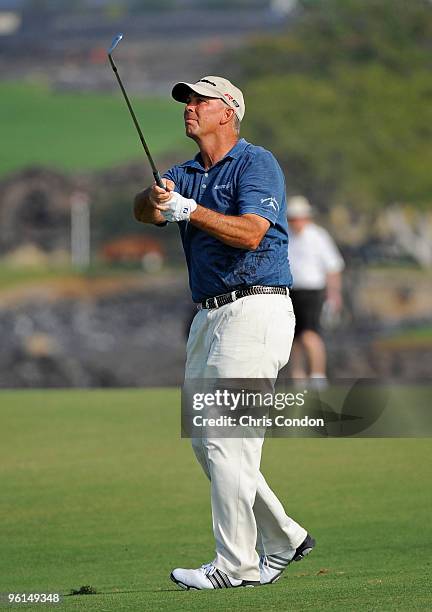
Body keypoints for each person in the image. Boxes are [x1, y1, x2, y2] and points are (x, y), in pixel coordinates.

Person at [134, 76, 315, 590]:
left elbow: (253, 231)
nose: (189, 108)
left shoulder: (256, 163)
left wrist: (189, 211)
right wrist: (156, 200)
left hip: (256, 309)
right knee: (207, 442)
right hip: (208, 316)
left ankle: (236, 565)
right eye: (186, 101)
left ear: (228, 111)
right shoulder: (185, 172)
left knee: (228, 440)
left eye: (199, 100)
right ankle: (283, 537)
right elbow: (143, 213)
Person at [287, 196, 345, 384]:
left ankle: (317, 375)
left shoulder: (318, 236)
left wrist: (334, 294)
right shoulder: (286, 234)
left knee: (310, 334)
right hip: (290, 290)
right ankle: (298, 376)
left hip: (311, 291)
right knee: (293, 336)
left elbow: (333, 266)